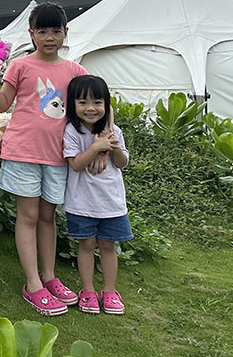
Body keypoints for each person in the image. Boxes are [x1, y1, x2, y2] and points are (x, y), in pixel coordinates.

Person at [0, 2, 94, 316]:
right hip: (23, 153)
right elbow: (3, 105)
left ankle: (50, 276)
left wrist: (105, 140)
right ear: (31, 34)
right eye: (42, 31)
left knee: (48, 217)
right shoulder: (19, 66)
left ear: (65, 32)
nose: (49, 37)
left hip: (59, 157)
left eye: (55, 30)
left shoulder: (74, 71)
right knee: (29, 216)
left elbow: (98, 101)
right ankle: (33, 283)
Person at [62, 74, 132, 316]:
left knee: (108, 246)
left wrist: (113, 149)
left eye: (97, 102)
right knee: (86, 245)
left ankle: (110, 291)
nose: (90, 108)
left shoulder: (115, 132)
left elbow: (122, 162)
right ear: (72, 105)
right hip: (82, 203)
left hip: (110, 202)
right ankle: (88, 290)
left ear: (106, 104)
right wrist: (94, 148)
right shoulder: (72, 131)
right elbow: (76, 165)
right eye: (82, 102)